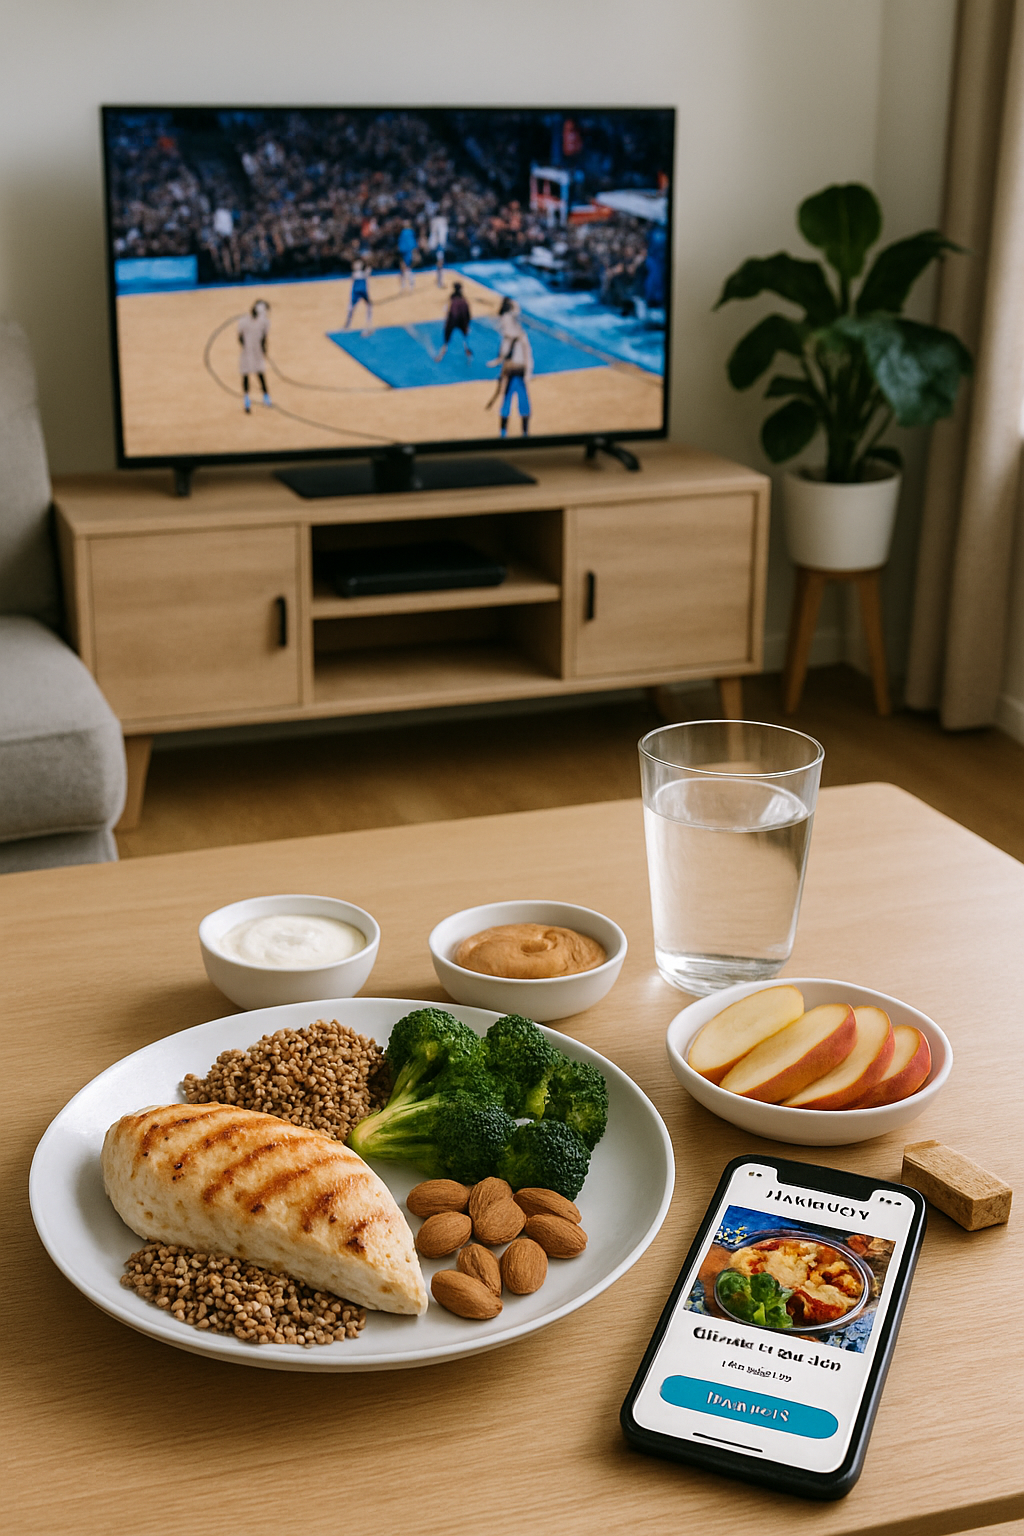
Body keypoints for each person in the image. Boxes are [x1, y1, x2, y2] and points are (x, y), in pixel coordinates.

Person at [486, 297, 533, 437]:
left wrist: (528, 374)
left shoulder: (519, 337)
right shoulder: (509, 338)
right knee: (507, 403)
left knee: (522, 404)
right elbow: (503, 355)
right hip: (510, 373)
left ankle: (523, 432)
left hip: (518, 373)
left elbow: (528, 357)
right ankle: (504, 432)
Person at [237, 298, 271, 412]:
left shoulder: (264, 322)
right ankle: (247, 400)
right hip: (248, 351)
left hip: (255, 351)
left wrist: (262, 349)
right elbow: (240, 337)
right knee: (248, 375)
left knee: (259, 374)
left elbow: (263, 337)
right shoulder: (244, 321)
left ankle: (265, 397)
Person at [435, 281, 472, 361]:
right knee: (465, 340)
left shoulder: (452, 299)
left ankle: (440, 356)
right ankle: (469, 356)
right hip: (462, 321)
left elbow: (449, 312)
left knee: (446, 341)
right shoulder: (463, 300)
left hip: (452, 321)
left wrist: (447, 323)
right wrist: (467, 325)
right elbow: (468, 314)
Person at [344, 258, 373, 334]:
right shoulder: (356, 273)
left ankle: (368, 322)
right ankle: (348, 323)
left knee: (368, 306)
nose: (357, 265)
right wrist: (367, 271)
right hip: (357, 292)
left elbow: (366, 274)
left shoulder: (360, 273)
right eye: (356, 264)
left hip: (362, 291)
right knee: (352, 307)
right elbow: (363, 275)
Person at [428, 210, 449, 287]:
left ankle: (439, 280)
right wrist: (441, 244)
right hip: (438, 245)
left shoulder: (434, 221)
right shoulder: (441, 222)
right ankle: (440, 282)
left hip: (435, 244)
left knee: (439, 263)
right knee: (440, 263)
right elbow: (440, 234)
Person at [397, 220, 418, 290]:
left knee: (406, 267)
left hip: (406, 251)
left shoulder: (408, 232)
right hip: (404, 251)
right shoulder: (405, 232)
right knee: (404, 267)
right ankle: (406, 283)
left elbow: (411, 242)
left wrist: (413, 251)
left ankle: (410, 282)